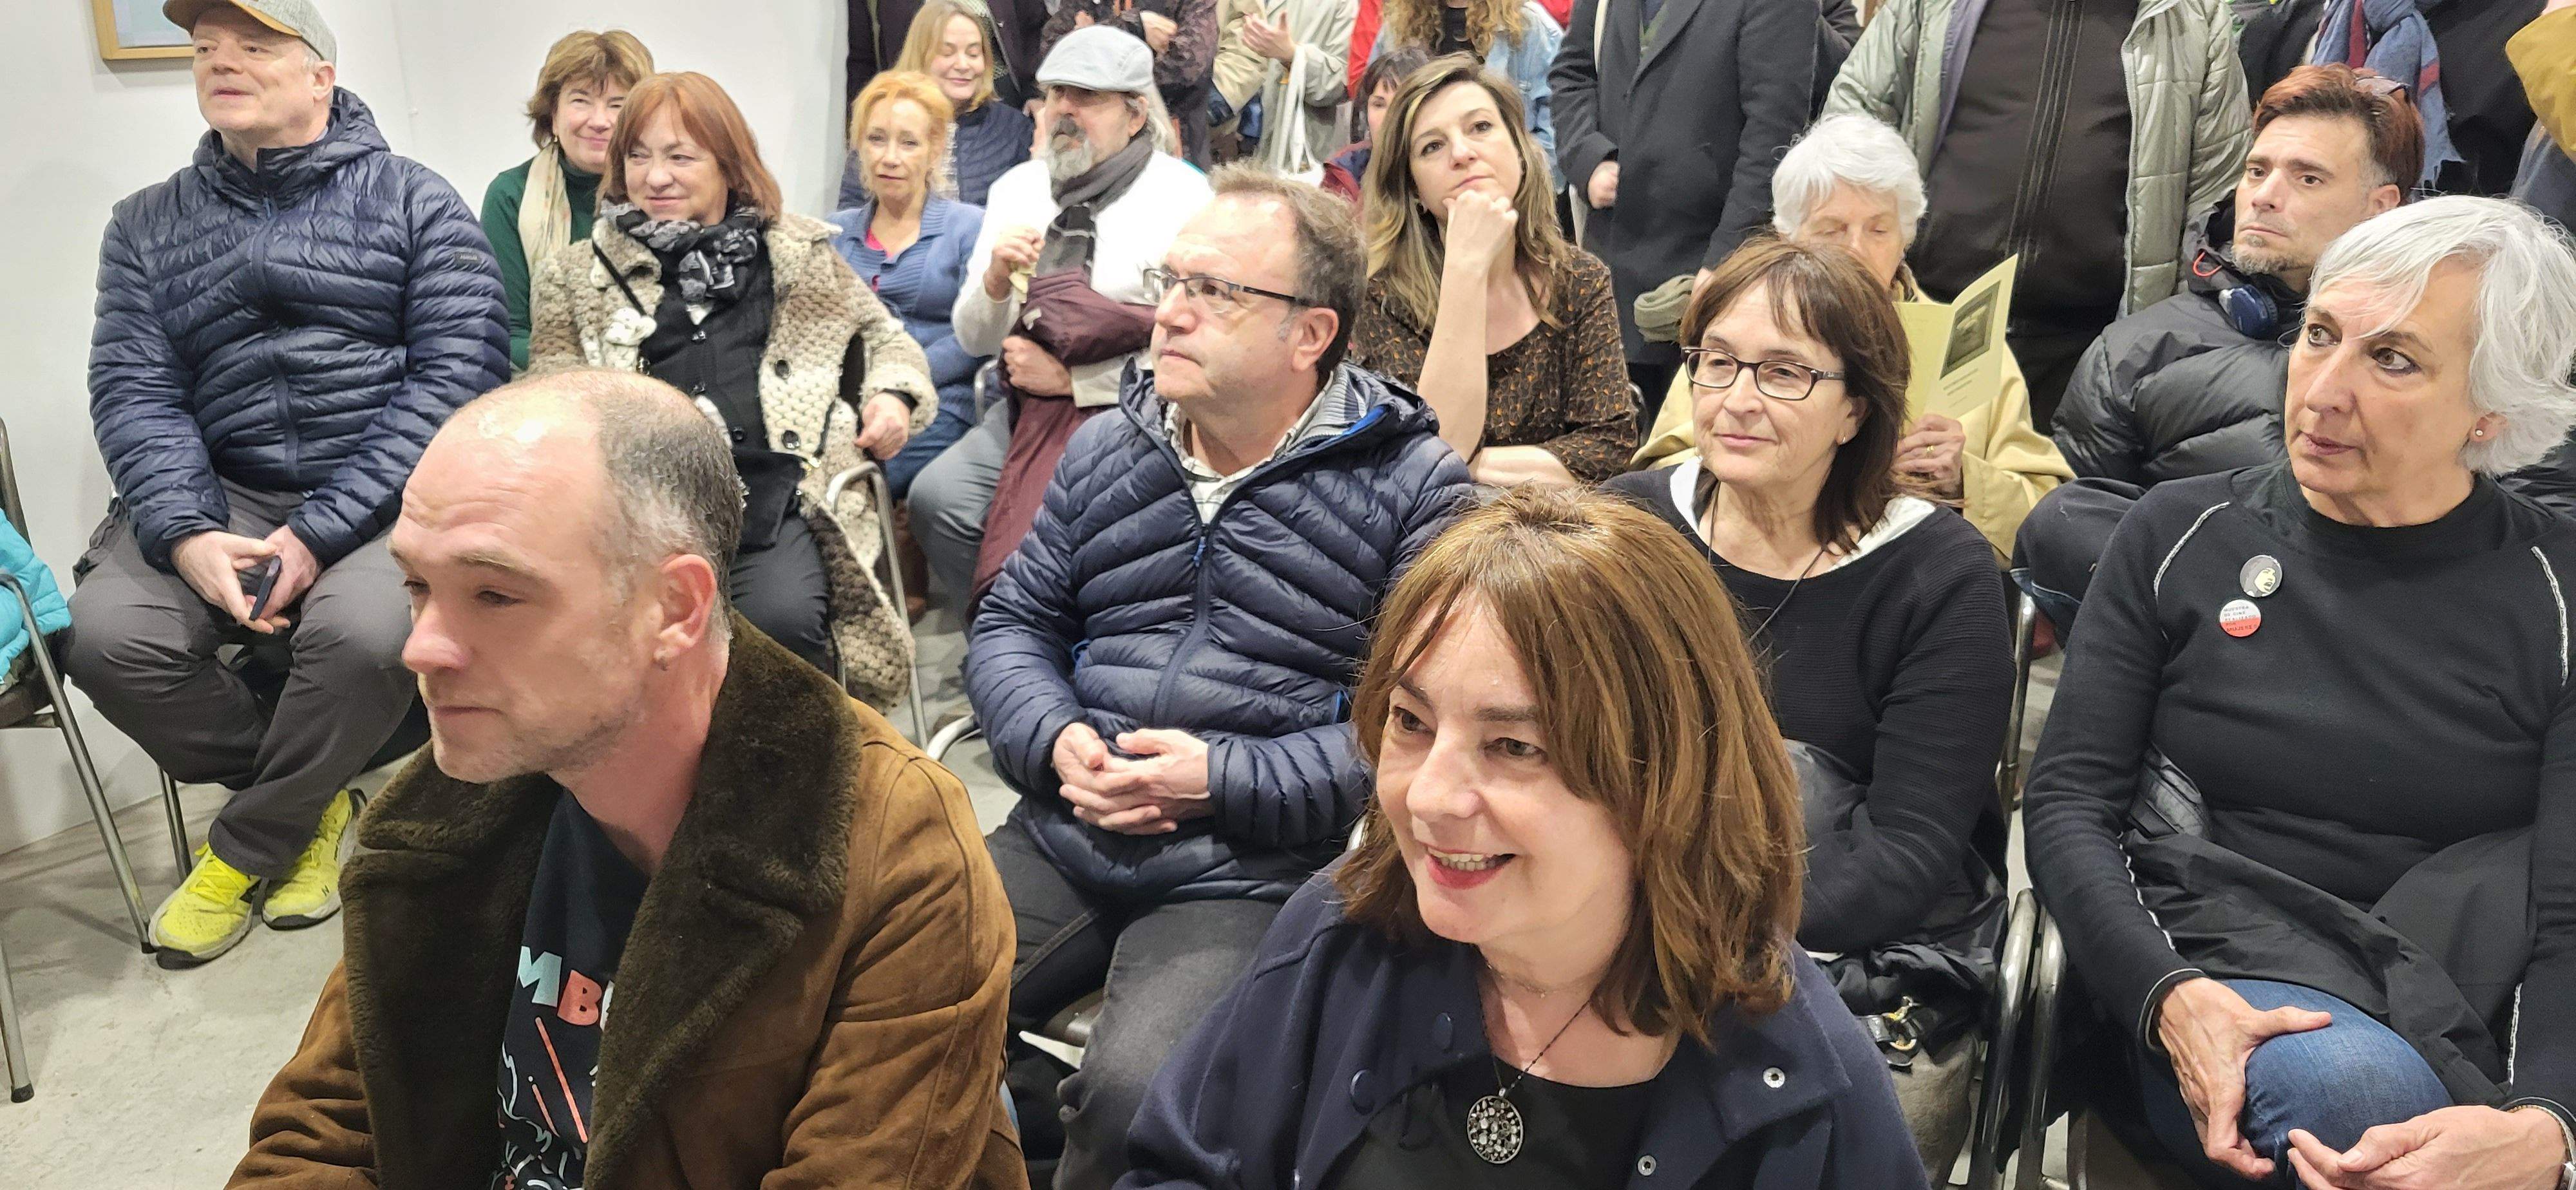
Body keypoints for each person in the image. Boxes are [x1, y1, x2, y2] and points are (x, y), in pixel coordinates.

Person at [230, 371, 1023, 1187]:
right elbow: (320, 1133)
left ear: (674, 608)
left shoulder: (892, 849)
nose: (422, 648)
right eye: (417, 586)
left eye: (495, 594)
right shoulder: (443, 810)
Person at [1119, 485, 1929, 1189]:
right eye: (1410, 721)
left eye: (1513, 747)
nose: (1427, 795)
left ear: (1662, 778)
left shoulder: (1808, 1093)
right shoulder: (1339, 935)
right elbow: (1182, 1170)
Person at [2023, 196, 2576, 1189]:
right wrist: (2171, 999)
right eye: (2319, 334)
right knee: (2357, 1104)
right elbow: (2068, 806)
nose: (2322, 390)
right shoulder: (2179, 532)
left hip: (2474, 976)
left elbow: (2572, 904)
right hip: (2229, 970)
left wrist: (2552, 1130)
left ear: (2495, 408)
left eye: (2393, 359)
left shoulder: (2557, 592)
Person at [969, 167, 1473, 1189]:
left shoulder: (1415, 489)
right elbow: (1013, 623)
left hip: (1249, 868)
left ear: (1311, 334)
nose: (1172, 314)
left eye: (1217, 291)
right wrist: (1054, 736)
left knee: (1139, 1101)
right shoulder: (1111, 446)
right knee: (877, 1003)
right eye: (1172, 280)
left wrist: (1222, 778)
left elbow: (1426, 731)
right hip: (1068, 824)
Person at [66, 0, 507, 968]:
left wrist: (316, 534)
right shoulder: (144, 225)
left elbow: (459, 376)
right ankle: (312, 801)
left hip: (381, 492)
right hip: (220, 494)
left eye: (253, 45)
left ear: (322, 76)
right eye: (203, 48)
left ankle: (244, 848)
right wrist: (185, 532)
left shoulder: (415, 199)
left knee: (368, 634)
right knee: (107, 641)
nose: (220, 60)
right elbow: (134, 389)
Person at [1604, 238, 2012, 1174]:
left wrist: (1697, 944)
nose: (1738, 398)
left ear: (1855, 410)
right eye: (1719, 362)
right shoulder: (1627, 527)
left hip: (1849, 941)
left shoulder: (1940, 572)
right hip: (1629, 917)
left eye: (1786, 373)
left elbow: (1908, 850)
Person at [527, 71, 936, 703]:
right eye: (637, 155)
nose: (655, 176)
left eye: (679, 156)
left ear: (728, 165)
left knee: (777, 625)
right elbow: (550, 393)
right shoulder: (577, 274)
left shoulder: (795, 256)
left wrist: (893, 397)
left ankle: (786, 777)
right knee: (618, 643)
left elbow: (889, 342)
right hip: (639, 510)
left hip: (775, 495)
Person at [1634, 114, 2072, 560]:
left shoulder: (1973, 346)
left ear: (1907, 237)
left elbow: (2047, 517)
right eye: (1832, 231)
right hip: (1758, 563)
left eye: (1879, 230)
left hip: (1924, 575)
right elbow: (1665, 475)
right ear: (1789, 237)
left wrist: (1963, 479)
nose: (1857, 251)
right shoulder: (1744, 332)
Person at [1824, 0, 2251, 426]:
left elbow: (2214, 204)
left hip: (2089, 351)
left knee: (2047, 492)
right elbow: (1852, 128)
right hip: (1926, 318)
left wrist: (2154, 352)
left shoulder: (2189, 17)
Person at [913, 26, 1212, 620]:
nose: (1066, 111)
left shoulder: (1185, 199)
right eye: (1056, 95)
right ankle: (1006, 644)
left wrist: (1078, 383)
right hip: (1027, 413)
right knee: (937, 500)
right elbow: (975, 338)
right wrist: (996, 279)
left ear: (1135, 115)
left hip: (1141, 415)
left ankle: (1071, 653)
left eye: (1088, 97)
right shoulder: (1017, 190)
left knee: (1090, 530)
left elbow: (1198, 341)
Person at [2053, 66, 2420, 488]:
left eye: (2308, 178)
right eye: (2257, 172)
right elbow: (2078, 525)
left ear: (2380, 206)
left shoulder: (2439, 345)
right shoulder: (2130, 354)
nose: (2263, 197)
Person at [1350, 58, 1635, 485]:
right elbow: (1429, 456)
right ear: (1414, 191)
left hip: (1561, 536)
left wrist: (1470, 464)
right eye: (1432, 147)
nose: (1463, 154)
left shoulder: (1580, 278)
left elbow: (1609, 449)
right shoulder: (1382, 295)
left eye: (1481, 127)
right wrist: (1466, 267)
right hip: (1435, 537)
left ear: (1520, 147)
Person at [1548, 0, 1815, 408]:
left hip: (1703, 275)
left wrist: (1726, 260)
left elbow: (1774, 136)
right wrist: (1587, 157)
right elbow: (1573, 72)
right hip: (1607, 274)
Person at [832, 71, 990, 500]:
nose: (890, 157)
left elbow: (973, 338)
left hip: (939, 400)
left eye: (908, 142)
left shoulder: (969, 227)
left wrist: (897, 382)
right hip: (847, 402)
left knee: (858, 482)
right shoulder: (834, 233)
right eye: (876, 139)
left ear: (935, 149)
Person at [478, 30, 655, 372]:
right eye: (581, 100)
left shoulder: (666, 190)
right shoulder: (509, 197)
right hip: (555, 387)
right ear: (553, 115)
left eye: (617, 105)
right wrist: (597, 378)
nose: (600, 120)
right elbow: (509, 332)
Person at [840, 1, 1037, 209]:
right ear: (920, 56)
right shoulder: (883, 123)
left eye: (973, 54)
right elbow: (851, 213)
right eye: (947, 53)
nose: (963, 65)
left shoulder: (1015, 130)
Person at [1370, 0, 1562, 164]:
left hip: (1504, 190)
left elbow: (1556, 135)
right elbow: (1373, 108)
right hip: (1415, 189)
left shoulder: (1531, 28)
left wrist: (1512, 181)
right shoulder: (1398, 28)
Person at [1042, 0, 1222, 163]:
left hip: (1174, 142)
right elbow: (1052, 53)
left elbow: (1187, 65)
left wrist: (1090, 39)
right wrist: (1133, 25)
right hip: (1091, 145)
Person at [1211, 0, 1358, 173]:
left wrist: (1293, 57)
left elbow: (1342, 84)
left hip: (1294, 155)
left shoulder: (1343, 4)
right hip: (1221, 140)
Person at [1320, 44, 1426, 203]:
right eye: (1379, 105)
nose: (1389, 117)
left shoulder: (1448, 169)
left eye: (1403, 104)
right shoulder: (1344, 172)